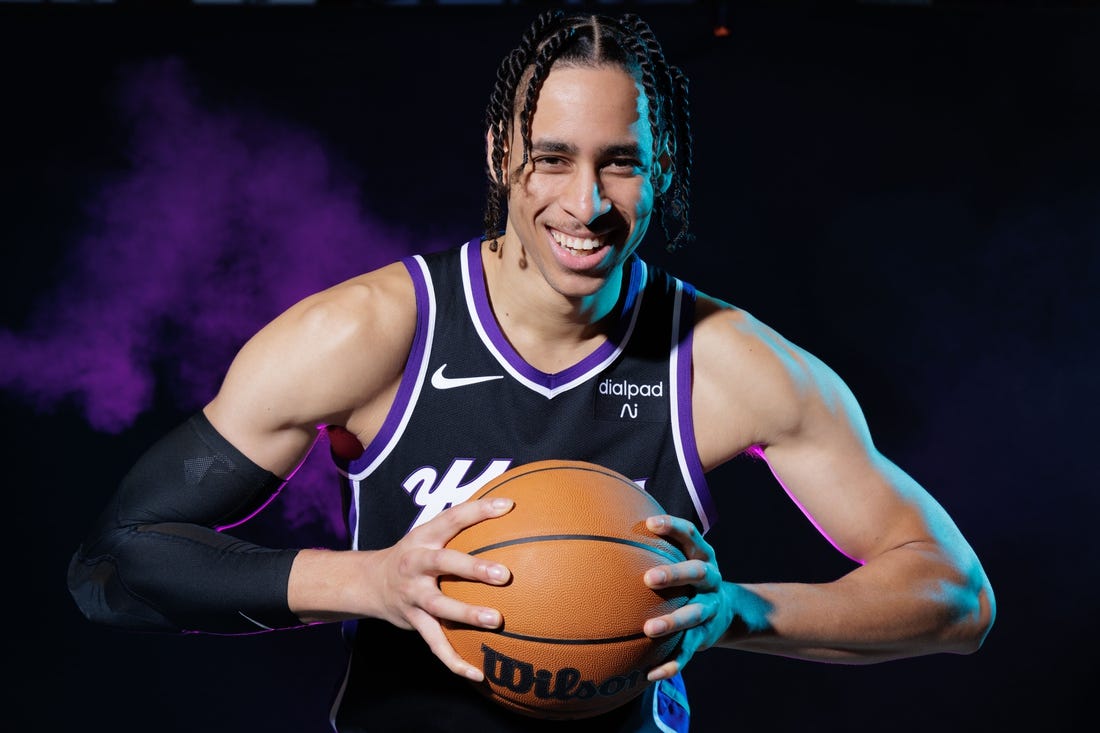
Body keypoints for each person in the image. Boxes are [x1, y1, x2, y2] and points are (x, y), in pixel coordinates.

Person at [67, 10, 995, 733]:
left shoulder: (725, 363)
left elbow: (955, 596)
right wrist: (372, 582)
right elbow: (115, 564)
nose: (584, 203)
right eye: (553, 158)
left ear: (662, 168)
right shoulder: (367, 335)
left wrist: (737, 610)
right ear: (500, 153)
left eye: (620, 164)